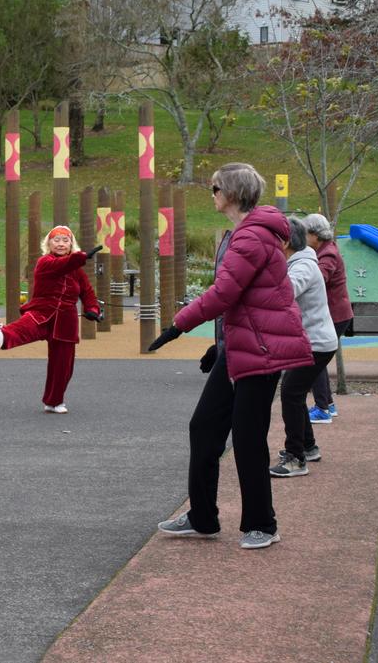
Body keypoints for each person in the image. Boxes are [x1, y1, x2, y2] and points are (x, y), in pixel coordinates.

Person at [146, 163, 311, 549]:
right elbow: (240, 300)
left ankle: (262, 524)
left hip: (261, 350)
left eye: (215, 188)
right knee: (204, 427)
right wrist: (218, 345)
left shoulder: (251, 237)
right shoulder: (245, 233)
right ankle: (202, 516)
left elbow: (223, 293)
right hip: (240, 346)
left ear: (232, 194)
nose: (212, 194)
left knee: (248, 437)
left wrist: (178, 326)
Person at [0, 226, 103, 413]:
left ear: (71, 244)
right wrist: (80, 257)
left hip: (66, 320)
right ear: (48, 243)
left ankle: (54, 401)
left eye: (65, 240)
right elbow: (60, 266)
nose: (61, 244)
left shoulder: (77, 271)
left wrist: (93, 309)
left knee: (63, 365)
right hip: (42, 312)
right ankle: (1, 337)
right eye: (56, 240)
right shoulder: (44, 262)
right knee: (23, 328)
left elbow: (87, 292)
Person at [270, 216, 339, 478]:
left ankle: (296, 458)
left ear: (286, 242)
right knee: (293, 391)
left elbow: (282, 295)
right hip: (314, 341)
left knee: (290, 392)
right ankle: (307, 447)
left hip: (316, 343)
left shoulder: (303, 268)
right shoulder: (301, 262)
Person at [301, 213, 352, 424]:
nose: (303, 237)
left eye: (305, 233)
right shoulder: (324, 250)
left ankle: (323, 408)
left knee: (315, 359)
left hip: (334, 315)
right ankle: (327, 404)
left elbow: (319, 278)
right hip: (335, 314)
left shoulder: (327, 254)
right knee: (317, 359)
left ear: (315, 235)